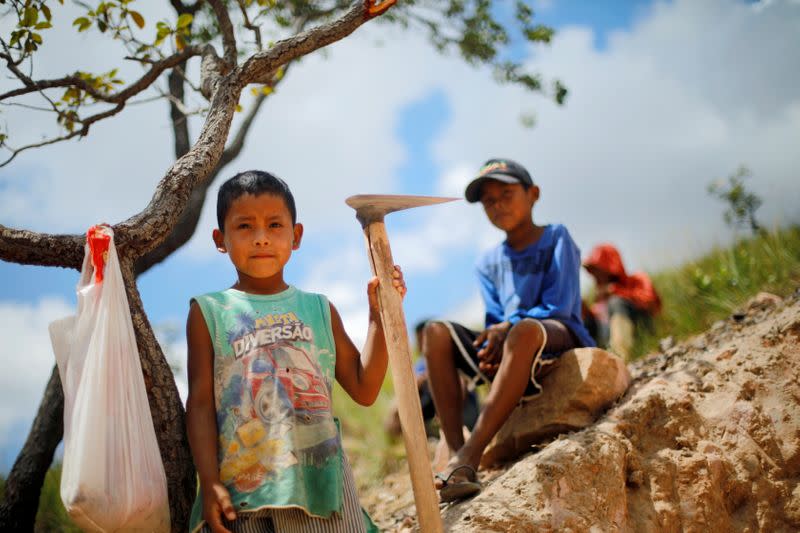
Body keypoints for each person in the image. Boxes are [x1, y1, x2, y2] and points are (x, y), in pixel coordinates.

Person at [185, 170, 405, 533]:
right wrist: (208, 482)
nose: (261, 239)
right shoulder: (209, 312)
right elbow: (201, 405)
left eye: (274, 225)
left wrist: (379, 316)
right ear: (220, 239)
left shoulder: (318, 309)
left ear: (296, 235)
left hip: (321, 488)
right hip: (245, 493)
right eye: (244, 227)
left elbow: (365, 389)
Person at [422, 158, 595, 503]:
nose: (498, 204)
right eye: (489, 201)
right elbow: (495, 319)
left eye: (507, 193)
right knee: (435, 332)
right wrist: (491, 346)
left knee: (524, 331)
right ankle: (459, 458)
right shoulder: (488, 262)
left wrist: (508, 329)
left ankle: (471, 452)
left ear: (533, 194)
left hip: (555, 335)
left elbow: (559, 304)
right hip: (513, 343)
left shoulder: (556, 237)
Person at [383, 320, 479, 439]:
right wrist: (417, 383)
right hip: (429, 404)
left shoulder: (449, 355)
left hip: (462, 408)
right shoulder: (417, 366)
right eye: (419, 341)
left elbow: (462, 382)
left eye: (424, 339)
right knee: (407, 393)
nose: (421, 344)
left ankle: (452, 428)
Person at [582, 243, 661, 361]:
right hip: (606, 340)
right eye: (593, 271)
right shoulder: (600, 299)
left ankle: (620, 358)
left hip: (637, 334)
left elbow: (651, 303)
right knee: (585, 322)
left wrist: (615, 291)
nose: (595, 275)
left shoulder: (637, 279)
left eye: (598, 270)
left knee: (616, 302)